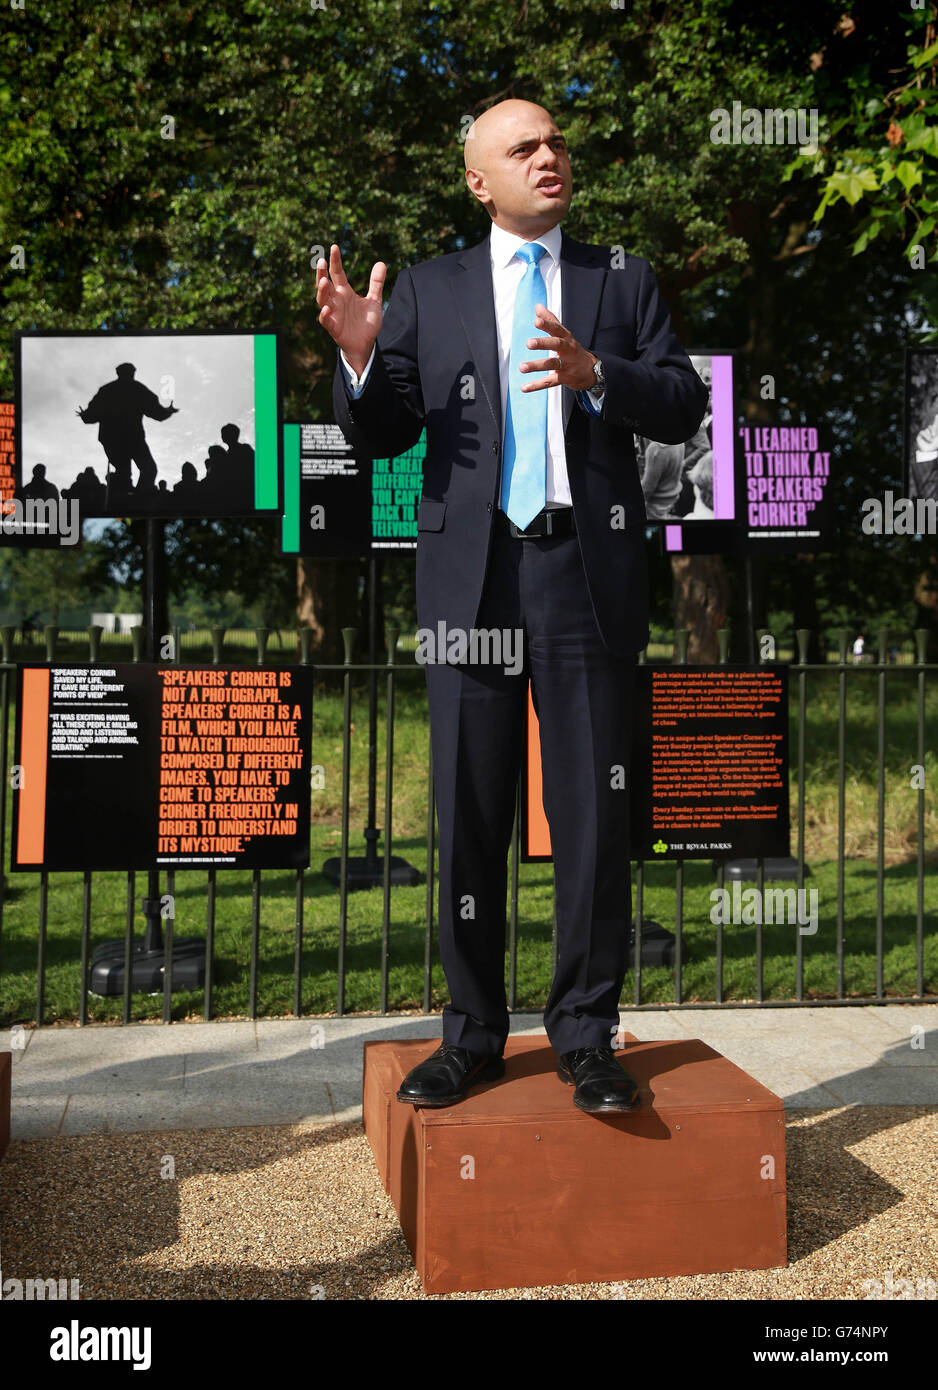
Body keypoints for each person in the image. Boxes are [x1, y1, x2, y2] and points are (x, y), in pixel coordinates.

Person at [317, 98, 707, 1114]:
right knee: (470, 814)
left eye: (555, 143)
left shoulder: (619, 279)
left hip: (584, 575)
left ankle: (585, 1036)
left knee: (590, 820)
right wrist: (360, 360)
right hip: (471, 580)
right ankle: (473, 1034)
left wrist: (595, 377)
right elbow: (386, 433)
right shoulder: (433, 289)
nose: (548, 157)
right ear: (476, 180)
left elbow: (679, 397)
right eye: (521, 147)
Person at [76, 362, 178, 502]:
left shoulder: (107, 390)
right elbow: (157, 413)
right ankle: (136, 497)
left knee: (127, 472)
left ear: (118, 373)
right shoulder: (138, 390)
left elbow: (92, 414)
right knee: (147, 469)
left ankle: (128, 497)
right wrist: (168, 412)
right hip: (131, 439)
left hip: (113, 439)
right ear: (132, 373)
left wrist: (85, 415)